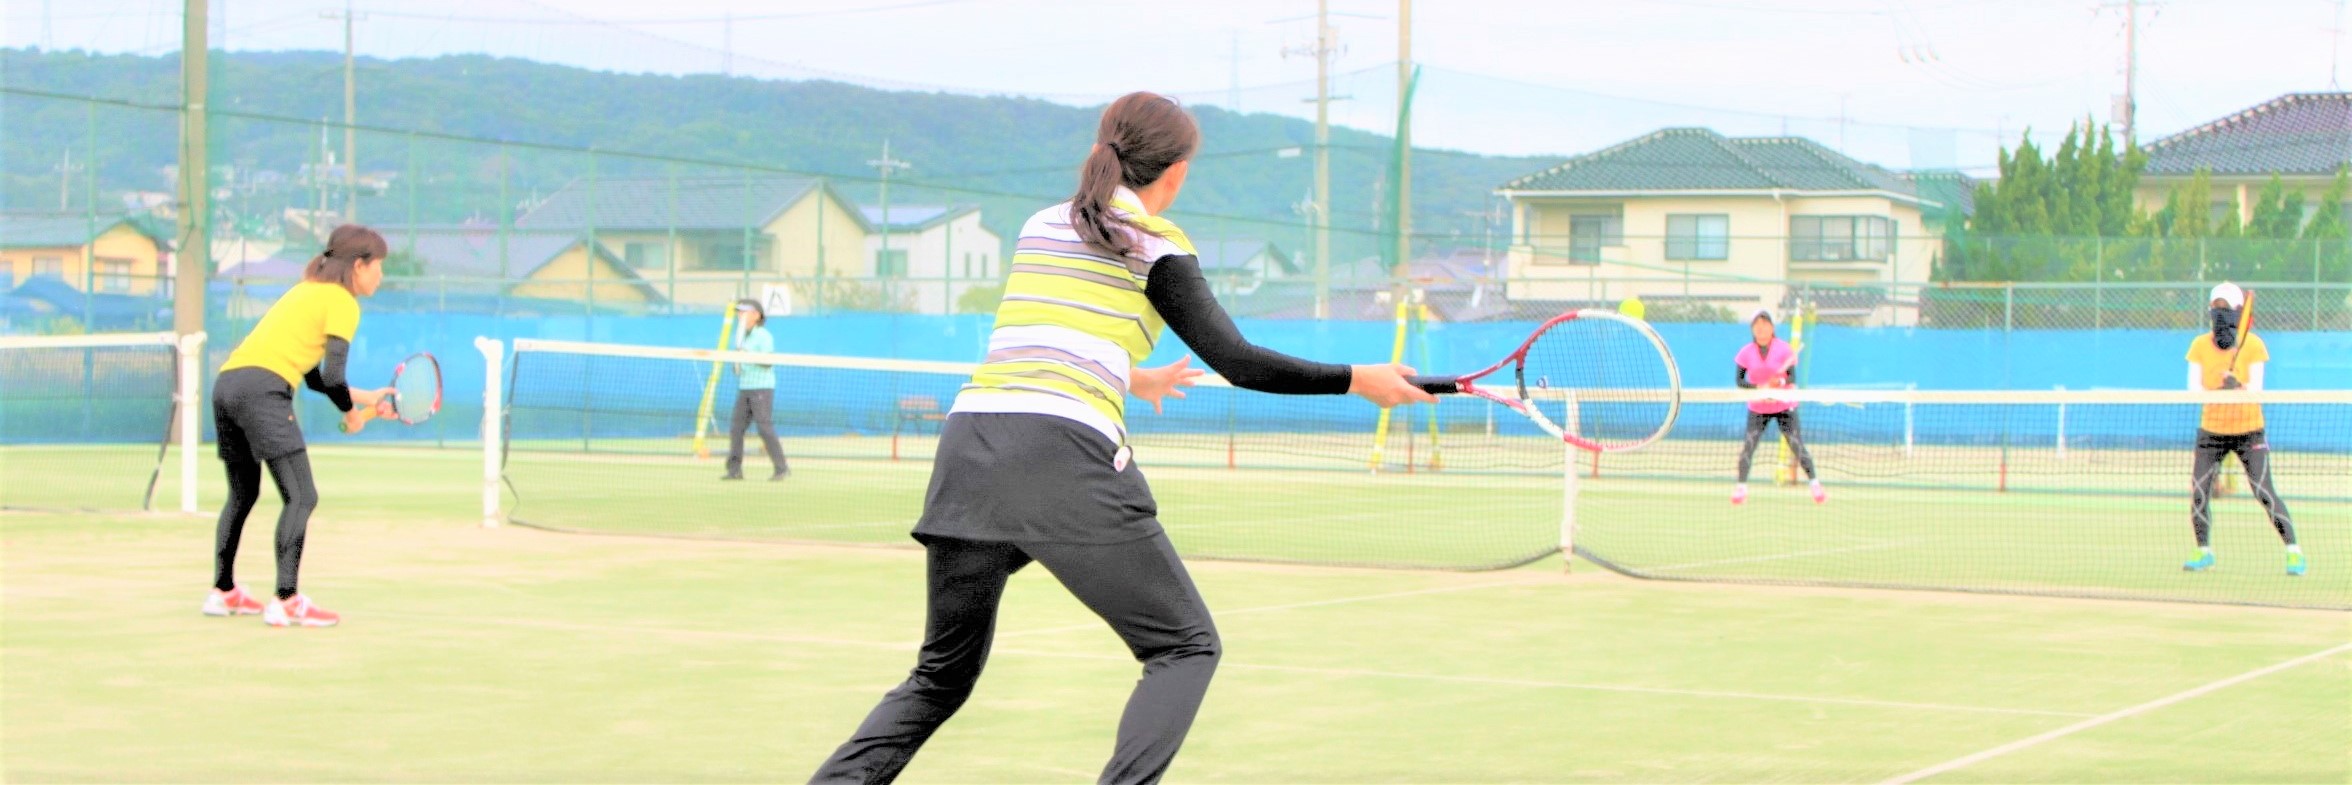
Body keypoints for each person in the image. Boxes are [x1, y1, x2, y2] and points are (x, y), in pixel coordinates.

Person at [809, 92, 1430, 785]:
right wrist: (1359, 378)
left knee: (940, 675)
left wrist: (1132, 375)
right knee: (1185, 646)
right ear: (1178, 173)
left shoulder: (1041, 225)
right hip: (1062, 460)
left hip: (971, 450)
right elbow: (1238, 359)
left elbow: (1052, 334)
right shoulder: (1159, 246)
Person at [202, 224, 393, 628]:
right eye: (379, 266)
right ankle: (286, 600)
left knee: (242, 494)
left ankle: (223, 592)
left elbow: (312, 377)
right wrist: (351, 414)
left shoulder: (305, 291)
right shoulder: (343, 301)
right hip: (261, 391)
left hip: (228, 385)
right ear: (359, 266)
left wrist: (367, 398)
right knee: (302, 496)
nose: (381, 275)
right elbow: (334, 376)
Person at [2182, 282, 2302, 576]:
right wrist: (2217, 388)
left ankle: (2294, 552)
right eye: (2216, 307)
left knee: (2264, 491)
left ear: (2239, 312)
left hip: (2249, 431)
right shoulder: (2199, 345)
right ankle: (2203, 551)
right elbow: (2193, 390)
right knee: (2199, 491)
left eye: (2227, 308)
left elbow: (2257, 391)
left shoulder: (2255, 345)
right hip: (2212, 432)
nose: (2221, 313)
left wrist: (2239, 386)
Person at [1731, 308, 1824, 505]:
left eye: (1765, 325)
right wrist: (1759, 387)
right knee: (1748, 446)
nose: (1761, 329)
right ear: (1752, 329)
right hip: (1758, 407)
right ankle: (1741, 488)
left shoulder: (1784, 349)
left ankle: (1815, 485)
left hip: (1784, 406)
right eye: (1757, 325)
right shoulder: (1745, 353)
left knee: (1796, 445)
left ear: (1772, 328)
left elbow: (1791, 376)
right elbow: (1739, 381)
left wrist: (1778, 384)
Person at [723, 298, 789, 481]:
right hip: (745, 388)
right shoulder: (742, 335)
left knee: (764, 429)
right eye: (739, 312)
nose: (740, 315)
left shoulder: (764, 336)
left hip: (762, 389)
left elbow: (767, 362)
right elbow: (739, 364)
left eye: (744, 311)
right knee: (736, 429)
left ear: (756, 315)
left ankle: (781, 468)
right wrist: (736, 363)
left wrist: (748, 356)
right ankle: (734, 470)